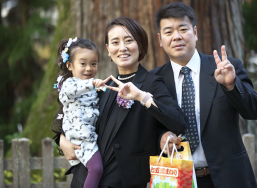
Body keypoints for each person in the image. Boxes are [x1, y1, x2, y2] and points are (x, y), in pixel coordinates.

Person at [55, 17, 187, 188]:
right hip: (86, 180)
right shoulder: (104, 85)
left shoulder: (151, 83)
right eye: (115, 42)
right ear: (108, 50)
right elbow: (69, 110)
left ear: (140, 44)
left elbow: (179, 122)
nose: (122, 48)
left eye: (129, 40)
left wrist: (142, 97)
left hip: (125, 182)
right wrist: (62, 139)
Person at [151, 2, 257, 188]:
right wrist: (161, 137)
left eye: (182, 29)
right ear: (160, 39)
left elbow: (255, 111)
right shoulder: (154, 80)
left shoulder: (226, 67)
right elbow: (149, 127)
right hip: (178, 180)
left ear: (195, 32)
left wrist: (231, 85)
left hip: (229, 178)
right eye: (168, 32)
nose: (176, 37)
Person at [52, 37, 110, 188]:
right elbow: (72, 91)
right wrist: (91, 84)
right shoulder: (69, 84)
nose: (89, 68)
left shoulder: (91, 87)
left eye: (93, 64)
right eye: (83, 63)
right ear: (70, 65)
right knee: (96, 169)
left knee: (95, 169)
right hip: (80, 137)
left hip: (87, 135)